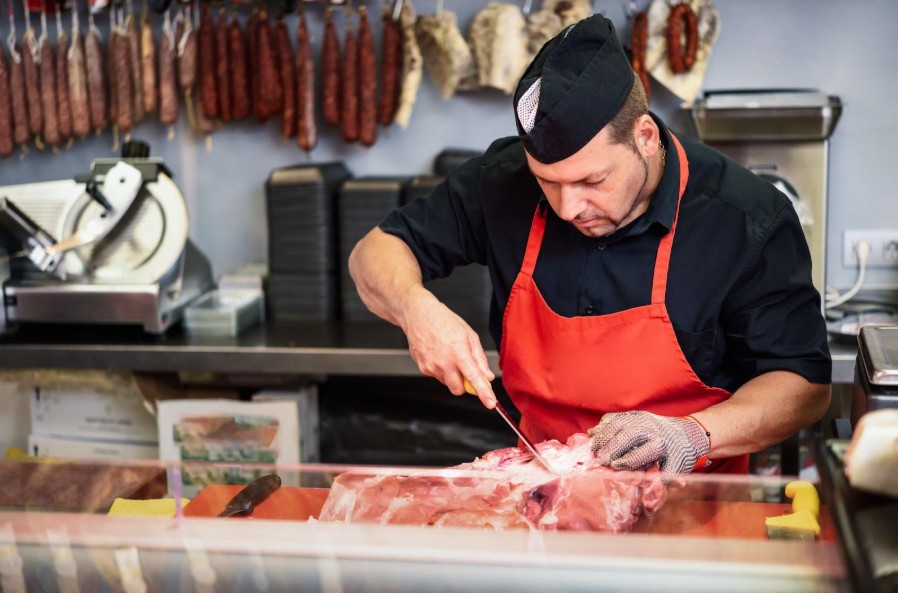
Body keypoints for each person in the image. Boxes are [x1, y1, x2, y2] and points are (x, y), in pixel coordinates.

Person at [348, 12, 831, 474]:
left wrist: (691, 435)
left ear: (645, 137)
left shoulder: (745, 218)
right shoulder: (503, 182)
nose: (567, 208)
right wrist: (415, 309)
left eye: (592, 181)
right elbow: (375, 252)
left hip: (694, 502)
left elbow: (804, 384)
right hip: (544, 492)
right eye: (547, 182)